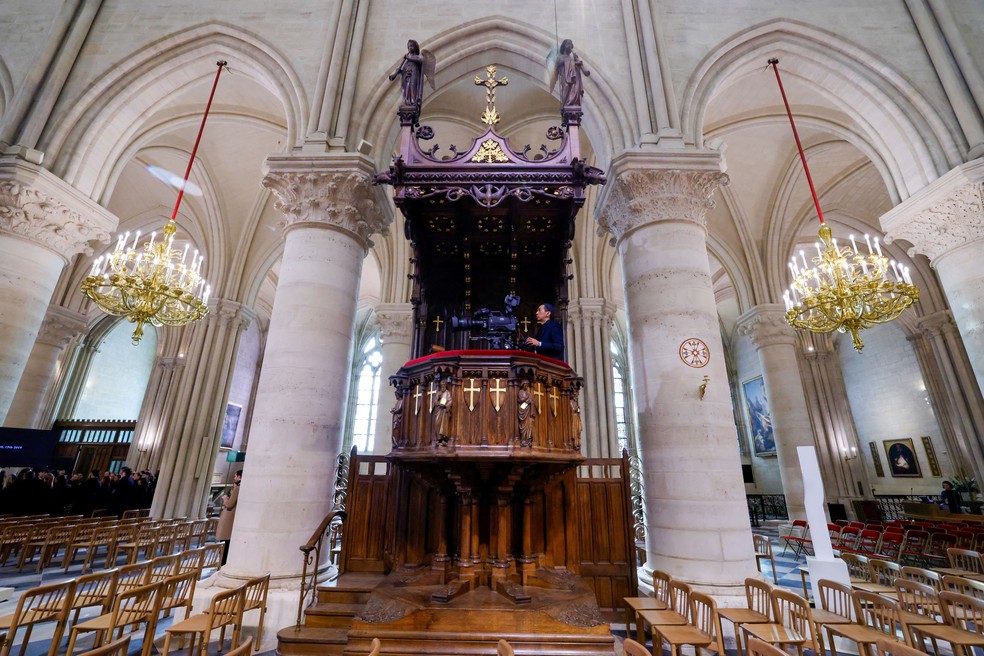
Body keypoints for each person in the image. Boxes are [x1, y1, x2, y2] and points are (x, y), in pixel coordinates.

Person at [216, 469, 241, 565]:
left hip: (229, 518)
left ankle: (222, 564)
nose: (234, 478)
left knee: (225, 544)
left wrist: (226, 499)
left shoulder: (237, 488)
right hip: (232, 519)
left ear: (239, 477)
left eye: (235, 476)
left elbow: (230, 504)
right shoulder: (237, 487)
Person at [390, 39, 425, 107]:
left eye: (412, 46)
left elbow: (420, 61)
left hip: (413, 73)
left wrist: (408, 58)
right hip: (406, 75)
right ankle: (407, 100)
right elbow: (403, 68)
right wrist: (399, 71)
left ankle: (413, 101)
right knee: (406, 87)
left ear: (415, 48)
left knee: (413, 85)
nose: (410, 48)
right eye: (409, 46)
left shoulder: (416, 57)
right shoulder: (406, 60)